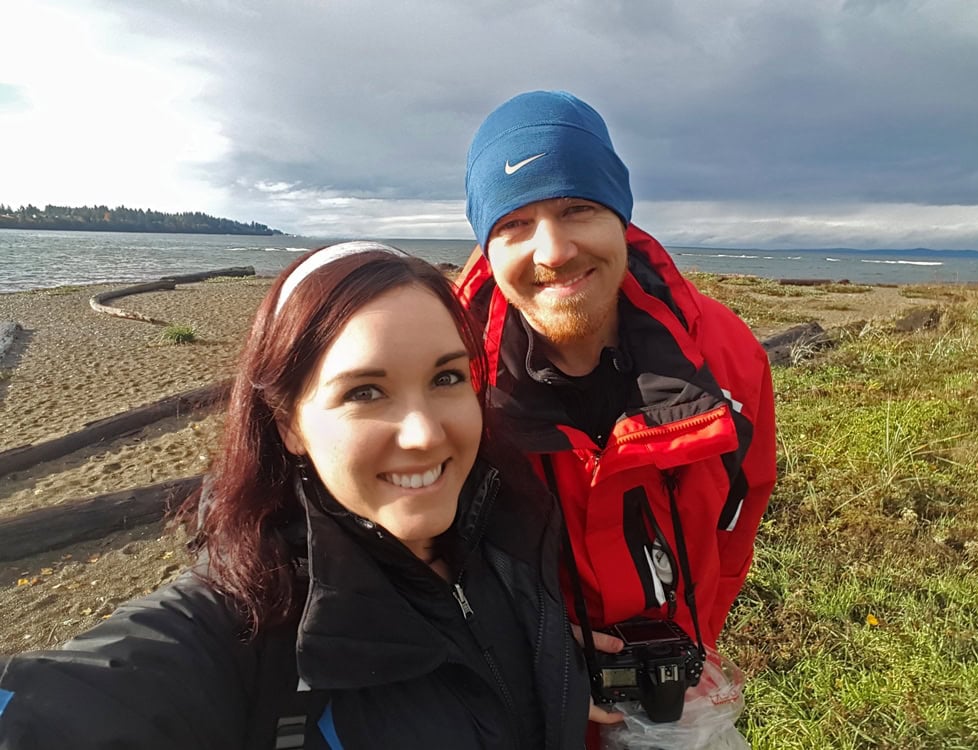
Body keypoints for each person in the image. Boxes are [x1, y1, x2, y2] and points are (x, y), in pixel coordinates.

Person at [0, 243, 590, 749]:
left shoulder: (512, 537)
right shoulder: (245, 625)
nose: (425, 434)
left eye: (446, 378)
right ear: (288, 423)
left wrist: (549, 668)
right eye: (364, 392)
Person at [456, 91, 777, 721]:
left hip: (672, 696)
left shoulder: (725, 355)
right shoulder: (448, 373)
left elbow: (738, 521)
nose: (553, 251)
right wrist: (526, 652)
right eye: (514, 223)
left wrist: (690, 646)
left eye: (577, 208)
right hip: (512, 702)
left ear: (621, 218)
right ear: (487, 248)